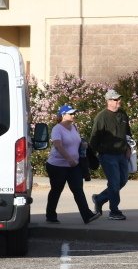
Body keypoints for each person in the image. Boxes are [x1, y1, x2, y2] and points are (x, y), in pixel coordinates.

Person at [45, 104, 101, 225]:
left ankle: (87, 215)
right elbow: (58, 145)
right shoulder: (57, 129)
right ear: (63, 115)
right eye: (71, 113)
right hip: (57, 166)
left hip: (73, 166)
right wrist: (68, 158)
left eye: (74, 113)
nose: (73, 115)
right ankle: (50, 215)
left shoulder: (74, 127)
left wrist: (83, 146)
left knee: (78, 189)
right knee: (56, 190)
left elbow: (77, 142)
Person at [90, 89, 132, 221]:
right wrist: (91, 156)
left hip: (122, 154)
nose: (118, 101)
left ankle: (99, 198)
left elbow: (128, 133)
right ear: (108, 101)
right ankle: (114, 211)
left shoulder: (123, 114)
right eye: (115, 99)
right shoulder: (101, 117)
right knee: (114, 183)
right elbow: (94, 137)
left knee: (122, 181)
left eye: (119, 99)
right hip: (107, 155)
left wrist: (129, 147)